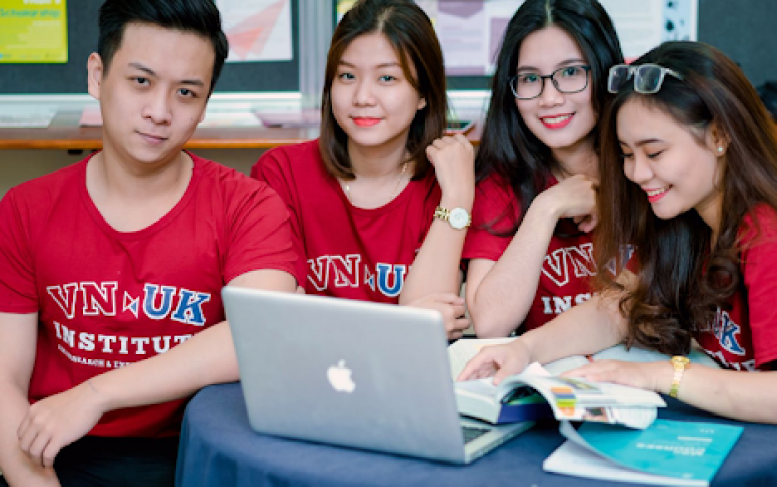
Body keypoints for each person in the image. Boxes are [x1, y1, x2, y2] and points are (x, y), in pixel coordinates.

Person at [461, 41, 777, 485]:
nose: (637, 173)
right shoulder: (688, 221)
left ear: (720, 136)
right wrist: (525, 349)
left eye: (655, 152)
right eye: (627, 154)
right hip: (759, 431)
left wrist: (662, 375)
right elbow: (620, 307)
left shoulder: (774, 242)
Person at [0, 1, 300, 485]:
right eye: (141, 81)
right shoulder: (24, 208)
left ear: (205, 103)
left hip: (191, 451)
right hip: (51, 448)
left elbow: (259, 334)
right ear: (97, 75)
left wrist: (96, 393)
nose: (159, 112)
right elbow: (3, 381)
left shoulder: (247, 205)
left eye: (186, 93)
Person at [251, 0, 474, 339]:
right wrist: (401, 324)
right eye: (347, 76)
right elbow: (278, 322)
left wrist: (457, 198)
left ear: (424, 94)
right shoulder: (282, 173)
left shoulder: (447, 182)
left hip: (408, 369)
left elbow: (430, 334)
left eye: (387, 78)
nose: (362, 97)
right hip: (310, 366)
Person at [462, 0, 624, 337]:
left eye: (571, 72)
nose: (549, 98)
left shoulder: (645, 170)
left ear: (605, 70)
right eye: (530, 78)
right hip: (545, 369)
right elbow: (490, 323)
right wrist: (547, 207)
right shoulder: (501, 181)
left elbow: (656, 309)